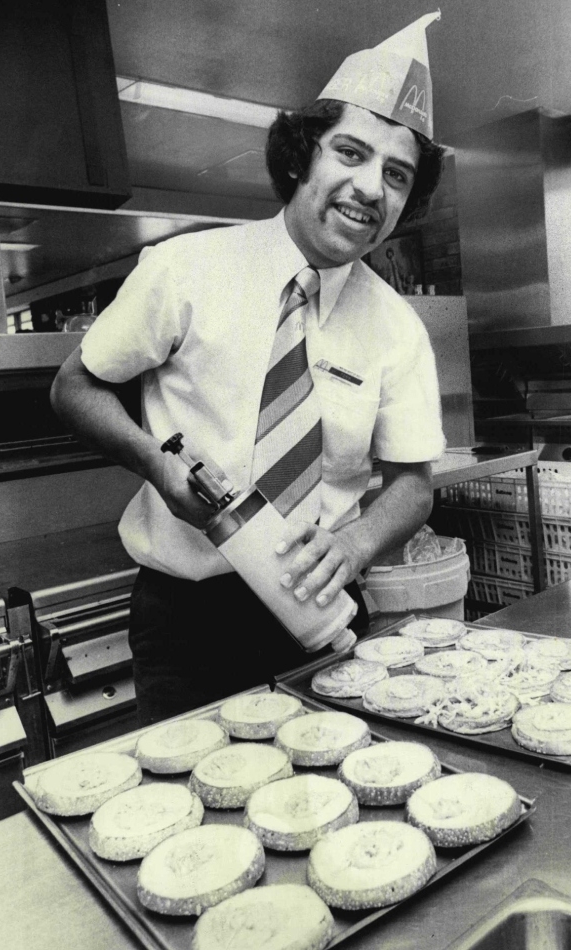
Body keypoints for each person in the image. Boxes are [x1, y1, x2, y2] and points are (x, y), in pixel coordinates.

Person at [50, 14, 447, 726]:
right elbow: (74, 387)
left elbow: (413, 484)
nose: (369, 188)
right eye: (350, 154)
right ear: (303, 156)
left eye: (395, 175)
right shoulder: (186, 270)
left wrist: (354, 545)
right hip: (186, 618)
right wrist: (154, 464)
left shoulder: (397, 327)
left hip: (320, 608)